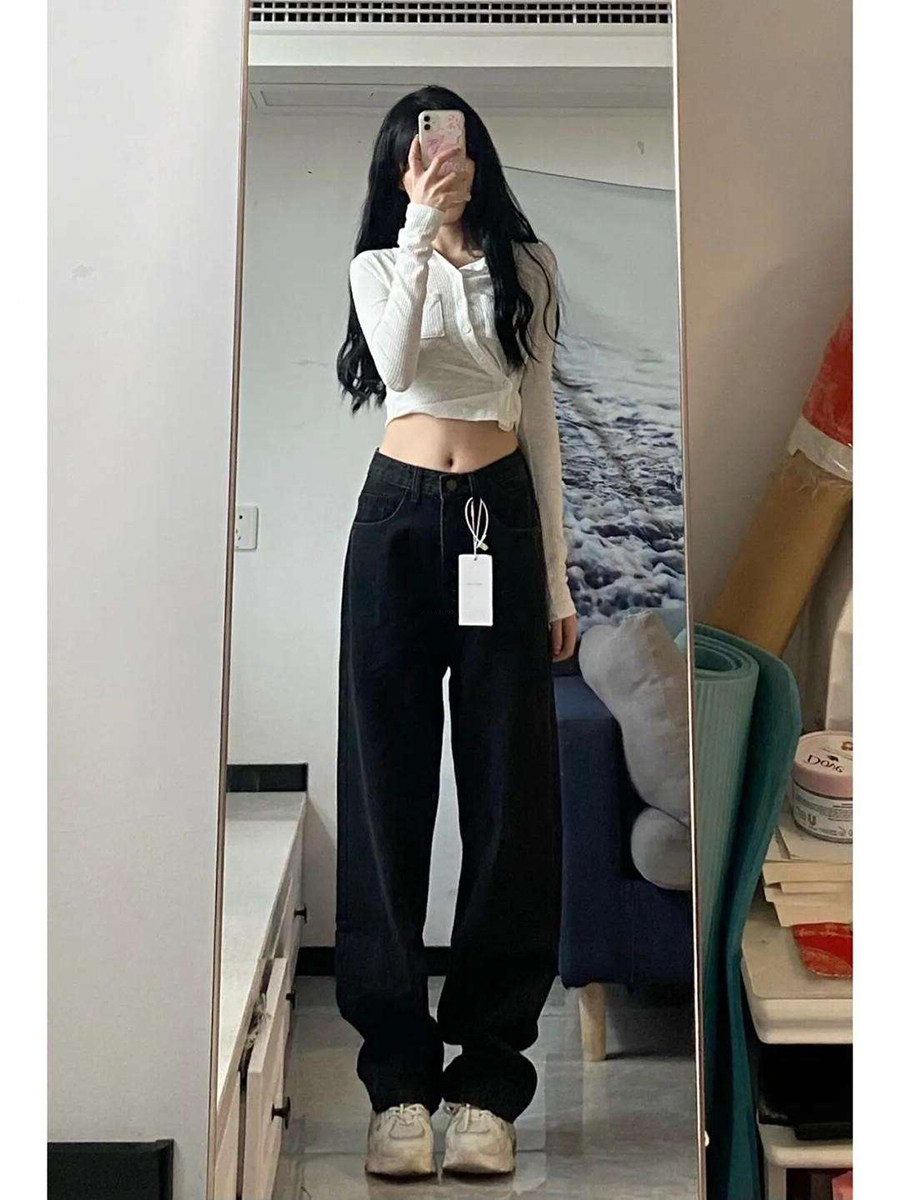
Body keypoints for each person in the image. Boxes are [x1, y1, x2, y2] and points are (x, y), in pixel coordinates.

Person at [334, 85, 577, 1179]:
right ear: (401, 164)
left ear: (481, 156)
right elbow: (394, 366)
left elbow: (543, 424)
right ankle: (398, 1086)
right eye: (425, 149)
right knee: (385, 792)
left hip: (499, 522)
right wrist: (421, 234)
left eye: (459, 145)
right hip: (394, 523)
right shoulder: (379, 264)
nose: (445, 159)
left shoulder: (529, 266)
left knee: (510, 794)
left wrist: (559, 582)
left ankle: (486, 1084)